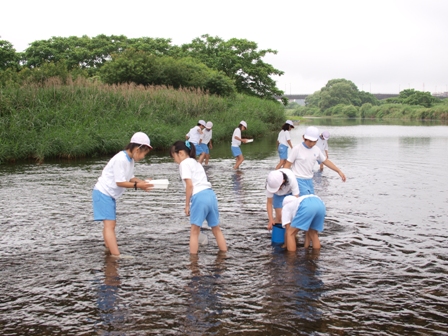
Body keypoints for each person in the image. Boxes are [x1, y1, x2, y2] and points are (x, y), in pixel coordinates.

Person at [92, 132, 153, 257]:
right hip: (103, 192)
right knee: (110, 225)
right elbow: (120, 182)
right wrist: (139, 186)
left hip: (108, 194)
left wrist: (143, 183)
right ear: (137, 149)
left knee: (109, 225)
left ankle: (109, 250)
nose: (142, 157)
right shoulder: (121, 159)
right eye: (143, 153)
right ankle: (116, 255)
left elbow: (130, 177)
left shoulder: (129, 159)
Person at [170, 140, 227, 254]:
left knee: (194, 232)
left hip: (199, 197)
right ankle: (224, 255)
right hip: (210, 195)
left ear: (180, 153)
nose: (174, 160)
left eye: (173, 156)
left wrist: (187, 205)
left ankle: (193, 263)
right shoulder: (197, 163)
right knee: (216, 229)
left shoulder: (184, 164)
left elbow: (189, 185)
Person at [283, 126, 346, 195]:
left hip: (309, 180)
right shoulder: (297, 149)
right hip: (298, 179)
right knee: (304, 201)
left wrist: (338, 171)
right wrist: (283, 179)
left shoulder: (316, 150)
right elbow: (287, 164)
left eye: (314, 142)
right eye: (310, 141)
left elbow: (326, 161)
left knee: (311, 199)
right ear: (303, 138)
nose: (312, 144)